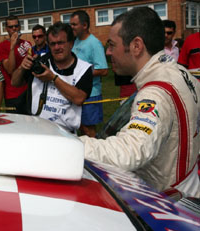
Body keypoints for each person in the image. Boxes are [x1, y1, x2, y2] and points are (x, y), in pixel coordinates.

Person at [80, 7, 200, 199]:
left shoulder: (154, 93)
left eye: (112, 44)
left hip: (167, 207)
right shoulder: (181, 72)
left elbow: (131, 151)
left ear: (137, 45)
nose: (109, 52)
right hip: (187, 190)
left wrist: (73, 144)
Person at [12, 22, 93, 132]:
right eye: (52, 44)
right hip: (36, 129)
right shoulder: (40, 62)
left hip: (65, 133)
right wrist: (22, 67)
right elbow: (15, 82)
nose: (57, 47)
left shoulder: (83, 69)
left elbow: (79, 98)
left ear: (71, 43)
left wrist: (53, 79)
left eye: (61, 43)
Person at [70, 10, 108, 137]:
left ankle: (94, 157)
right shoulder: (75, 41)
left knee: (88, 130)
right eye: (70, 24)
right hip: (76, 93)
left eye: (74, 25)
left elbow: (103, 69)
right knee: (79, 127)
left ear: (84, 25)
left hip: (91, 94)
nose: (72, 28)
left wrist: (82, 74)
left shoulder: (94, 43)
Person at [0, 15, 32, 114]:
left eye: (16, 26)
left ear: (20, 27)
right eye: (11, 27)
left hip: (28, 91)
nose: (14, 29)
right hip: (13, 94)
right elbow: (10, 69)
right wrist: (12, 47)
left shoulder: (27, 43)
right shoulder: (2, 46)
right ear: (6, 29)